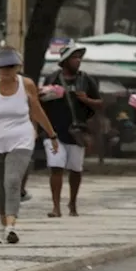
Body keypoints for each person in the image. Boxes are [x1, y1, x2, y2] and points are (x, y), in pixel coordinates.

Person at [0, 47, 59, 244]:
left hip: (21, 138)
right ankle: (4, 226)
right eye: (2, 67)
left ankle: (11, 227)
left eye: (10, 67)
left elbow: (37, 112)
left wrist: (52, 135)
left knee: (12, 180)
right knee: (1, 186)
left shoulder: (27, 85)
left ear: (18, 67)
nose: (5, 71)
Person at [41, 45, 102, 217]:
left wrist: (86, 99)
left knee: (76, 169)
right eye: (74, 58)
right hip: (54, 131)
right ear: (65, 61)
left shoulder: (86, 80)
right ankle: (56, 206)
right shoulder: (52, 78)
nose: (78, 61)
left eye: (79, 58)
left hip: (77, 131)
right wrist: (48, 94)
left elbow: (100, 104)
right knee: (56, 166)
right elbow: (40, 101)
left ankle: (73, 203)